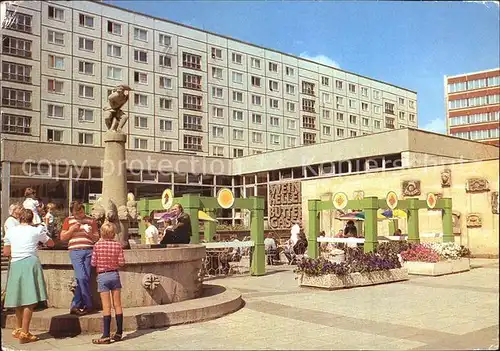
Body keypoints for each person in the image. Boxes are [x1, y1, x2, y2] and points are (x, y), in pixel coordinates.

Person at [3, 209, 54, 344]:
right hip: (30, 262)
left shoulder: (11, 231)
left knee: (19, 298)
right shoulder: (36, 231)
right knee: (30, 300)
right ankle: (25, 333)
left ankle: (18, 328)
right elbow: (51, 243)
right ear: (32, 219)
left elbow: (6, 252)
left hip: (15, 264)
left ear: (19, 218)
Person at [60, 201, 99, 316]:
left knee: (84, 278)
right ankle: (88, 304)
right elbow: (62, 237)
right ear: (73, 212)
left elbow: (96, 238)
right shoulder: (68, 220)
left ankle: (76, 305)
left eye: (81, 212)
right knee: (81, 277)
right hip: (75, 251)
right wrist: (71, 230)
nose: (80, 215)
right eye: (77, 213)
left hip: (88, 250)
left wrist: (90, 233)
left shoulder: (91, 220)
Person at [91, 222, 125, 345]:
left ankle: (106, 335)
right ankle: (119, 333)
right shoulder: (118, 245)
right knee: (118, 305)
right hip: (114, 275)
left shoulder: (97, 245)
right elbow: (121, 262)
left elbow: (93, 263)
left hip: (102, 276)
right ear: (114, 233)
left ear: (102, 233)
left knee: (106, 306)